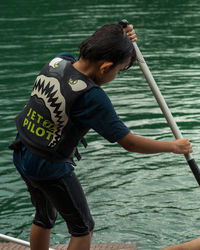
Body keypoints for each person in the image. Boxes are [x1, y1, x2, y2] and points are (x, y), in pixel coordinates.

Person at [9, 22, 192, 250]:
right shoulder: (92, 98)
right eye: (119, 70)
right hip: (49, 167)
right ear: (105, 67)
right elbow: (130, 142)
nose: (117, 74)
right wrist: (173, 146)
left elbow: (101, 45)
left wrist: (121, 38)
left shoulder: (59, 62)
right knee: (83, 228)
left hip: (23, 152)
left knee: (44, 217)